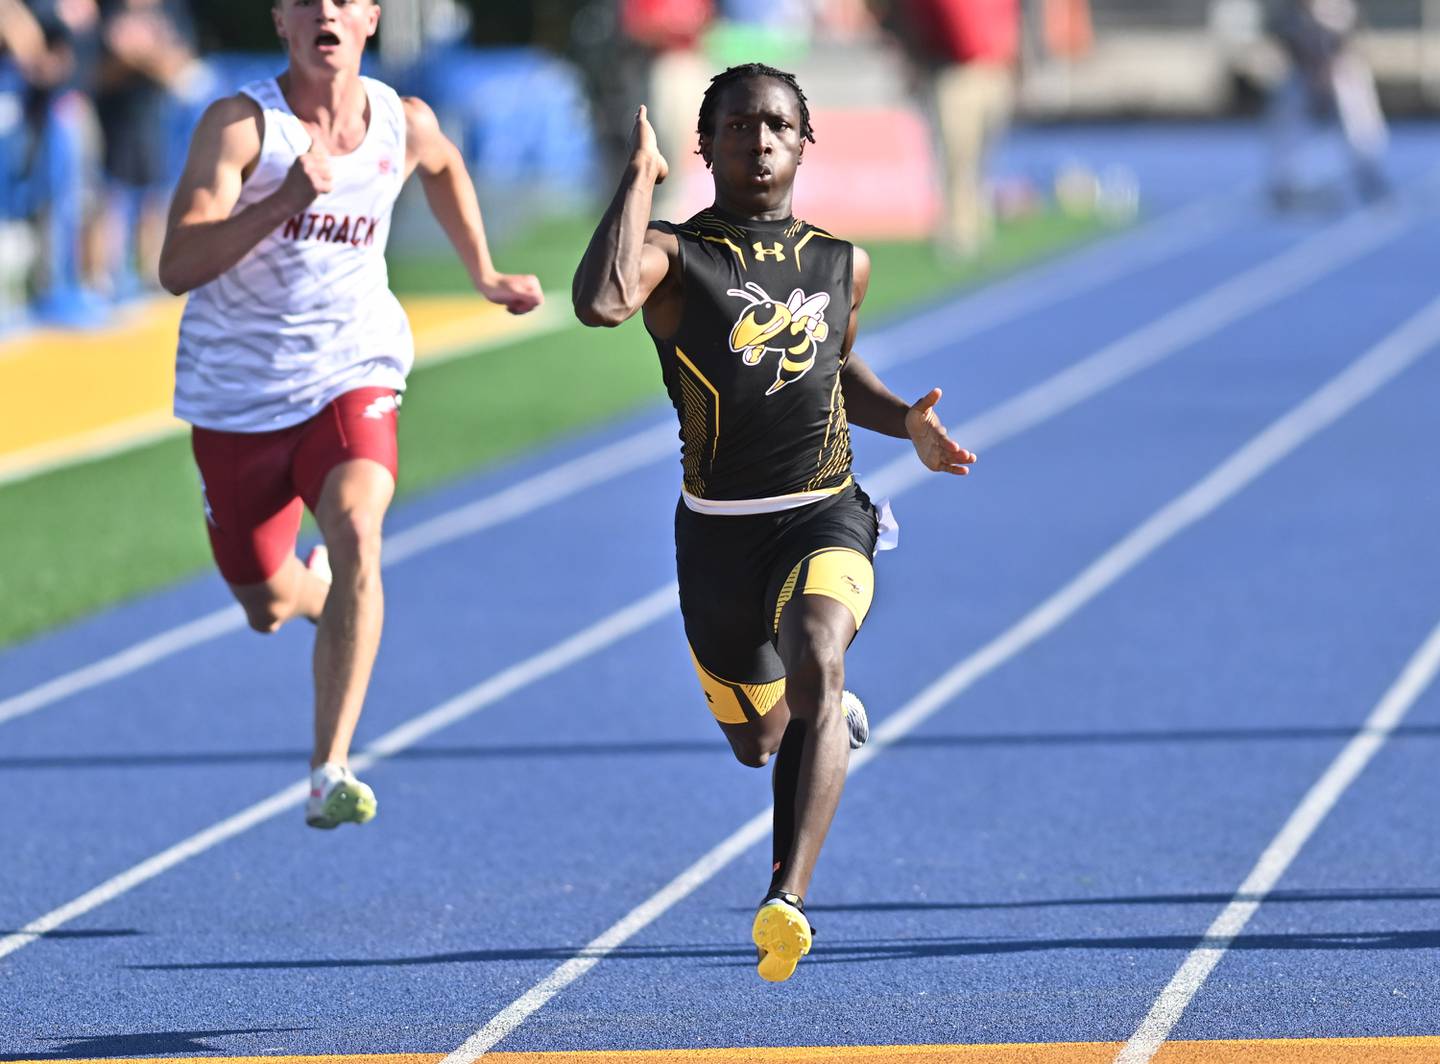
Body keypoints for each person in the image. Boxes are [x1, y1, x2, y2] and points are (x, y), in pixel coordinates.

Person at [572, 63, 977, 981]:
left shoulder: (843, 263)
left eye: (780, 126)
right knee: (760, 742)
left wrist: (906, 418)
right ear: (705, 144)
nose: (760, 140)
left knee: (819, 658)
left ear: (804, 144)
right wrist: (638, 178)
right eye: (740, 125)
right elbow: (599, 303)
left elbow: (837, 370)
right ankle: (817, 712)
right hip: (716, 535)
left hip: (823, 513)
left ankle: (786, 897)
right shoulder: (675, 258)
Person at [158, 0, 542, 829]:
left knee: (359, 530)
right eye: (306, 1)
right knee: (265, 604)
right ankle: (312, 590)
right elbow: (177, 264)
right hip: (238, 397)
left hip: (352, 371)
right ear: (282, 23)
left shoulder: (401, 121)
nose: (325, 11)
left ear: (369, 19)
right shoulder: (241, 127)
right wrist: (280, 202)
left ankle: (328, 768)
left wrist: (484, 272)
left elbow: (441, 166)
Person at [884, 0, 1020, 257]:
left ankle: (978, 226)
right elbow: (922, 24)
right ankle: (959, 236)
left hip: (993, 68)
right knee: (957, 158)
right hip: (955, 73)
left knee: (981, 160)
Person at [1266, 0, 1388, 208]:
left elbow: (1352, 37)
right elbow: (1283, 36)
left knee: (1360, 122)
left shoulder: (1340, 8)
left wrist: (1329, 68)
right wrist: (1310, 68)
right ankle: (1284, 181)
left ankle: (1367, 172)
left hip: (1342, 71)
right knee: (1283, 120)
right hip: (1303, 72)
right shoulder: (1293, 12)